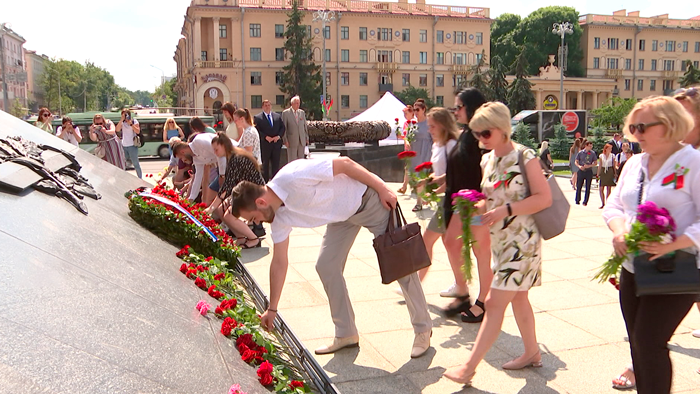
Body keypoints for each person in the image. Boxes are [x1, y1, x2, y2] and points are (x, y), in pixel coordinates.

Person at [229, 157, 433, 358]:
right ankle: (346, 333)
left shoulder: (292, 177)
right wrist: (272, 309)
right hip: (342, 216)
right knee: (326, 265)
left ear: (261, 202)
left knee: (401, 262)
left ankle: (423, 329)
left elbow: (345, 163)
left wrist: (381, 187)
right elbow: (279, 262)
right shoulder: (278, 217)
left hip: (368, 199)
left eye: (254, 218)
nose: (258, 223)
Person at [443, 101, 552, 387]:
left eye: (486, 133)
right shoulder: (487, 160)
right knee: (519, 298)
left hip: (523, 242)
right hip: (501, 243)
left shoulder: (524, 156)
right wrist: (473, 205)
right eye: (476, 133)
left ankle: (468, 368)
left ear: (503, 128)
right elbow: (488, 198)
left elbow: (544, 198)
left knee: (492, 303)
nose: (480, 138)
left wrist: (505, 211)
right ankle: (532, 352)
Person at [602, 95, 700, 394]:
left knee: (649, 341)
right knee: (638, 344)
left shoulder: (693, 163)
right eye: (633, 127)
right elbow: (614, 206)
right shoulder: (634, 164)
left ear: (670, 125)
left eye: (642, 127)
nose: (636, 134)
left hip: (676, 268)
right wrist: (619, 232)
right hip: (634, 267)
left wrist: (672, 243)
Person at [436, 88, 492, 322]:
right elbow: (461, 166)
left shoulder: (481, 135)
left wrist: (484, 201)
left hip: (475, 203)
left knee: (480, 252)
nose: (455, 111)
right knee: (452, 242)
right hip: (461, 201)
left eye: (458, 107)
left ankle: (481, 301)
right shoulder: (468, 133)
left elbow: (486, 170)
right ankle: (464, 293)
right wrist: (440, 180)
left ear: (471, 108)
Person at [411, 107, 459, 288]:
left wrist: (433, 191)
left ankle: (415, 284)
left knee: (427, 241)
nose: (429, 130)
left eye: (432, 126)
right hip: (443, 200)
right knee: (450, 244)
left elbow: (454, 176)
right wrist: (426, 182)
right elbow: (438, 172)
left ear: (443, 125)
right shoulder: (437, 144)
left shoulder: (452, 145)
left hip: (451, 201)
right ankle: (460, 284)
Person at [208, 132, 264, 249]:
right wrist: (214, 206)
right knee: (220, 210)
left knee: (228, 215)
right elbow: (229, 185)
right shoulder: (234, 156)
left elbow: (228, 185)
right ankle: (241, 237)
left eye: (216, 149)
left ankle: (253, 239)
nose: (215, 153)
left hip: (254, 193)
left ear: (223, 145)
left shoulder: (236, 159)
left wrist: (211, 207)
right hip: (247, 191)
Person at [172, 133, 227, 202]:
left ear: (182, 152)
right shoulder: (196, 159)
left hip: (233, 160)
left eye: (181, 158)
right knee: (209, 198)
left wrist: (222, 175)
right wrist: (191, 199)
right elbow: (197, 179)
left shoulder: (199, 141)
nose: (183, 161)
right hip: (224, 169)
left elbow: (220, 153)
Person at [409, 99, 433, 212]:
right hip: (415, 153)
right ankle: (425, 197)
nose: (415, 112)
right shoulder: (413, 124)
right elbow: (408, 137)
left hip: (425, 153)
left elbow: (434, 139)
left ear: (423, 110)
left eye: (417, 110)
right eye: (414, 110)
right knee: (417, 178)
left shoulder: (429, 123)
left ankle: (419, 203)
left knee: (420, 177)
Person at [254, 100, 285, 181]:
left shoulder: (277, 116)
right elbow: (257, 130)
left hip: (276, 144)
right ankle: (265, 182)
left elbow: (282, 128)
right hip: (265, 145)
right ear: (263, 107)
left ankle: (275, 181)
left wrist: (278, 136)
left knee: (276, 164)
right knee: (265, 165)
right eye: (265, 105)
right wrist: (265, 137)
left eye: (269, 105)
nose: (267, 107)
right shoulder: (258, 118)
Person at [115, 108, 142, 179]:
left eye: (126, 115)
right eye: (123, 115)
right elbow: (117, 130)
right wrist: (121, 120)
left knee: (135, 163)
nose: (125, 117)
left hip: (132, 145)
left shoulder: (134, 121)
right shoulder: (122, 123)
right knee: (123, 163)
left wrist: (131, 124)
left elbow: (137, 131)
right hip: (124, 145)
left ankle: (140, 178)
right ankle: (122, 178)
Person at [281, 95, 309, 162]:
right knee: (292, 160)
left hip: (301, 140)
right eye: (296, 103)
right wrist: (285, 140)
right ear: (292, 103)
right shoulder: (286, 113)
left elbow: (304, 126)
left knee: (301, 160)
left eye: (299, 103)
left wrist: (306, 138)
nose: (298, 105)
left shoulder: (302, 113)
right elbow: (284, 128)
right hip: (291, 141)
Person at [574, 141, 597, 206]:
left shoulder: (592, 153)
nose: (591, 147)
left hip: (588, 171)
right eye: (589, 146)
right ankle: (577, 200)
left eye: (591, 146)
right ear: (586, 146)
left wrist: (589, 166)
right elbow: (576, 161)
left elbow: (595, 163)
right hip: (581, 171)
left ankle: (585, 201)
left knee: (588, 186)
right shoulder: (580, 153)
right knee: (579, 186)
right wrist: (579, 166)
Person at [597, 143, 617, 209]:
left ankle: (608, 203)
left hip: (610, 171)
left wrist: (615, 173)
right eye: (609, 148)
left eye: (611, 148)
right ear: (605, 149)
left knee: (609, 188)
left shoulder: (613, 156)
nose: (610, 150)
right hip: (603, 171)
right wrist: (598, 173)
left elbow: (614, 165)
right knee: (601, 188)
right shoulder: (601, 156)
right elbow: (600, 165)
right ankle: (603, 203)